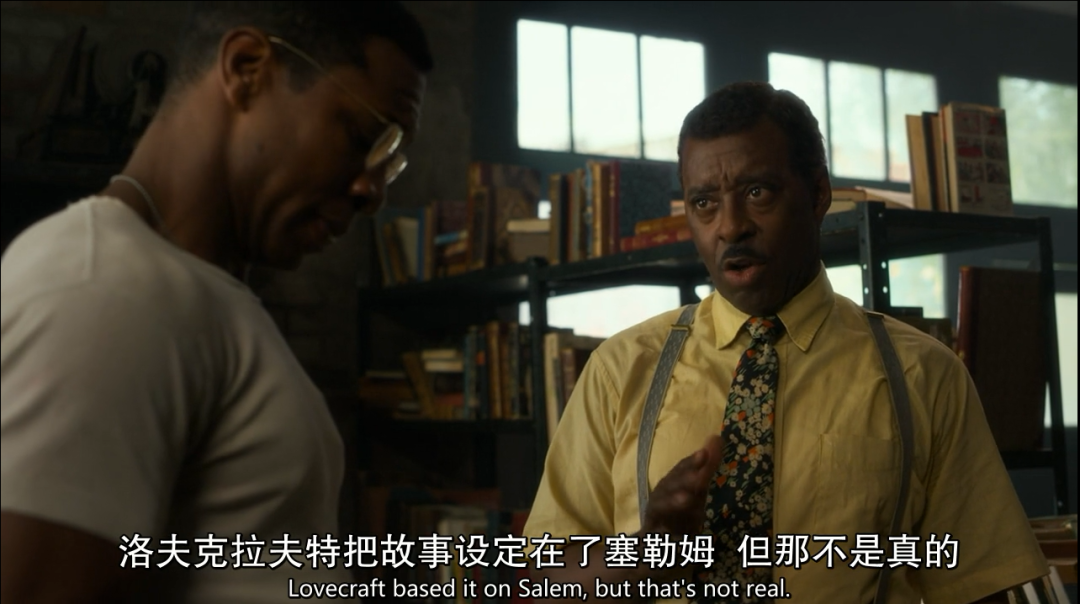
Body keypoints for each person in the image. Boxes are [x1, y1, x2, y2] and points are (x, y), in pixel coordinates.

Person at [522, 82, 1048, 603]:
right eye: (704, 203)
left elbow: (979, 582)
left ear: (817, 195)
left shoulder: (922, 374)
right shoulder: (620, 370)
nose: (730, 227)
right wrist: (647, 553)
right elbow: (544, 579)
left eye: (757, 193)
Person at [1, 2, 431, 602]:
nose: (372, 190)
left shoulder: (189, 291)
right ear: (247, 69)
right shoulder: (104, 287)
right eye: (363, 138)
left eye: (391, 162)